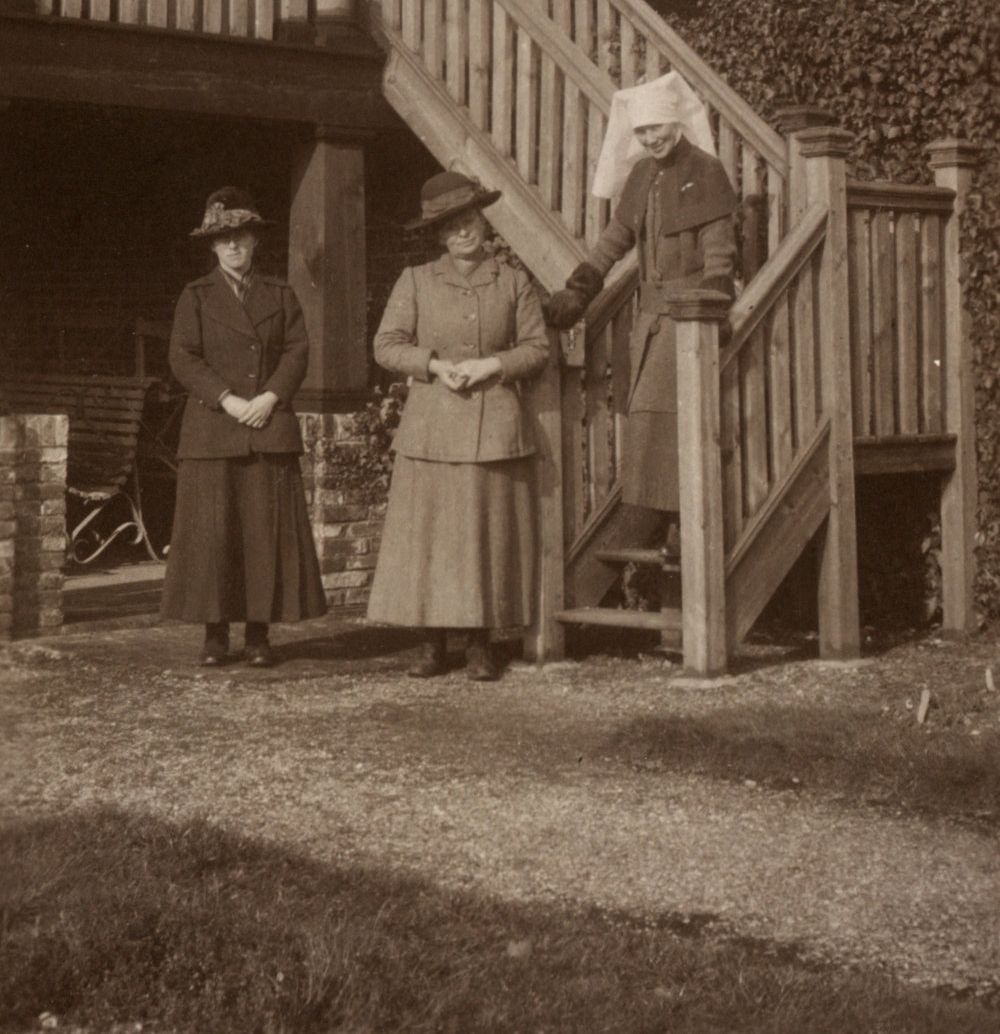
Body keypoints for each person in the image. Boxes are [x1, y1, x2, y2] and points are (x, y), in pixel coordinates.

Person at [367, 171, 549, 680]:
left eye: (469, 219)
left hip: (494, 429)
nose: (463, 231)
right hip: (433, 428)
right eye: (451, 226)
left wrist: (494, 366)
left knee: (482, 538)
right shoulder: (417, 280)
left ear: (482, 221)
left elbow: (538, 348)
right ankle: (430, 643)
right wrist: (432, 365)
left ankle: (480, 645)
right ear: (439, 235)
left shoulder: (513, 280)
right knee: (431, 538)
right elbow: (385, 344)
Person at [543, 74, 737, 519]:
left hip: (689, 315)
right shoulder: (643, 174)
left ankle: (672, 519)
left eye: (657, 128)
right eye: (642, 131)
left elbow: (719, 250)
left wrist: (714, 306)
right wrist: (581, 286)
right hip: (648, 319)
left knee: (664, 418)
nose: (650, 138)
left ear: (675, 123)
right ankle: (665, 516)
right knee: (644, 415)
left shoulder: (706, 170)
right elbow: (617, 236)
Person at [161, 187, 327, 666]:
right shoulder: (195, 296)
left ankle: (258, 635)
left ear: (255, 241)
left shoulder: (281, 293)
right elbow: (182, 357)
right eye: (223, 239)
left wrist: (270, 397)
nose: (234, 246)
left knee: (263, 536)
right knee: (214, 536)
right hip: (215, 428)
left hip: (268, 426)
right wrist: (229, 400)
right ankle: (215, 636)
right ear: (212, 246)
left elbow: (298, 351)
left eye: (242, 236)